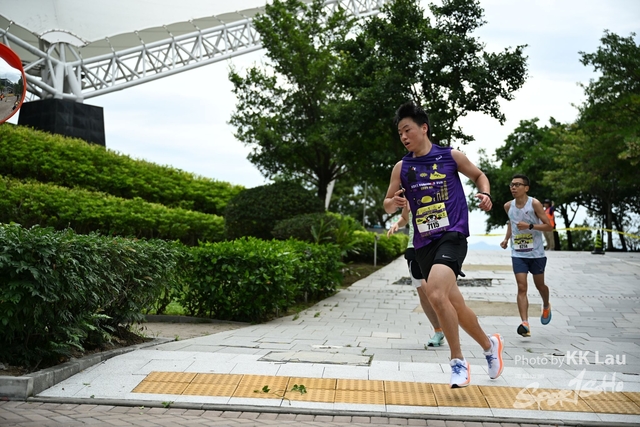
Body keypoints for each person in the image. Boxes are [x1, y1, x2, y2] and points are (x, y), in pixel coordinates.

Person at [383, 101, 503, 389]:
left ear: (424, 128)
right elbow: (387, 203)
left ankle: (457, 361)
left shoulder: (450, 156)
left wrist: (485, 194)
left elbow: (479, 175)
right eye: (400, 133)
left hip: (452, 235)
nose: (403, 136)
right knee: (455, 306)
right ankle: (490, 346)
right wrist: (394, 202)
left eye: (407, 130)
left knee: (435, 294)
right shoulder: (402, 167)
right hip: (423, 243)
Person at [500, 174, 553, 338]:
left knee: (540, 285)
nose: (513, 187)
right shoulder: (508, 206)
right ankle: (525, 323)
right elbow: (511, 223)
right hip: (518, 253)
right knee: (522, 287)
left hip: (536, 253)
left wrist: (530, 226)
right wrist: (506, 239)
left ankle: (546, 304)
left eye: (517, 184)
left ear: (526, 188)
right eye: (512, 184)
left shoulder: (534, 204)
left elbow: (549, 226)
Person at [387, 206, 445, 347]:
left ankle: (448, 324)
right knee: (422, 292)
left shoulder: (437, 194)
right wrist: (397, 224)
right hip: (413, 248)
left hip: (435, 246)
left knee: (431, 290)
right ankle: (438, 331)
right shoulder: (408, 196)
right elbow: (405, 217)